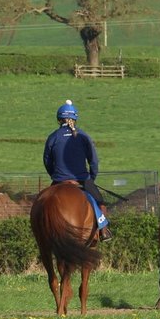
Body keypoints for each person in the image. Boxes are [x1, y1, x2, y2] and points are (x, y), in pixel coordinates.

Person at [44, 99, 112, 241]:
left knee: (43, 202)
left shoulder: (53, 137)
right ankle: (103, 231)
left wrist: (55, 176)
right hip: (82, 179)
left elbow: (47, 161)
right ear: (75, 119)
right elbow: (93, 161)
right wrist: (91, 179)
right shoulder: (83, 136)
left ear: (59, 120)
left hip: (58, 180)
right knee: (100, 202)